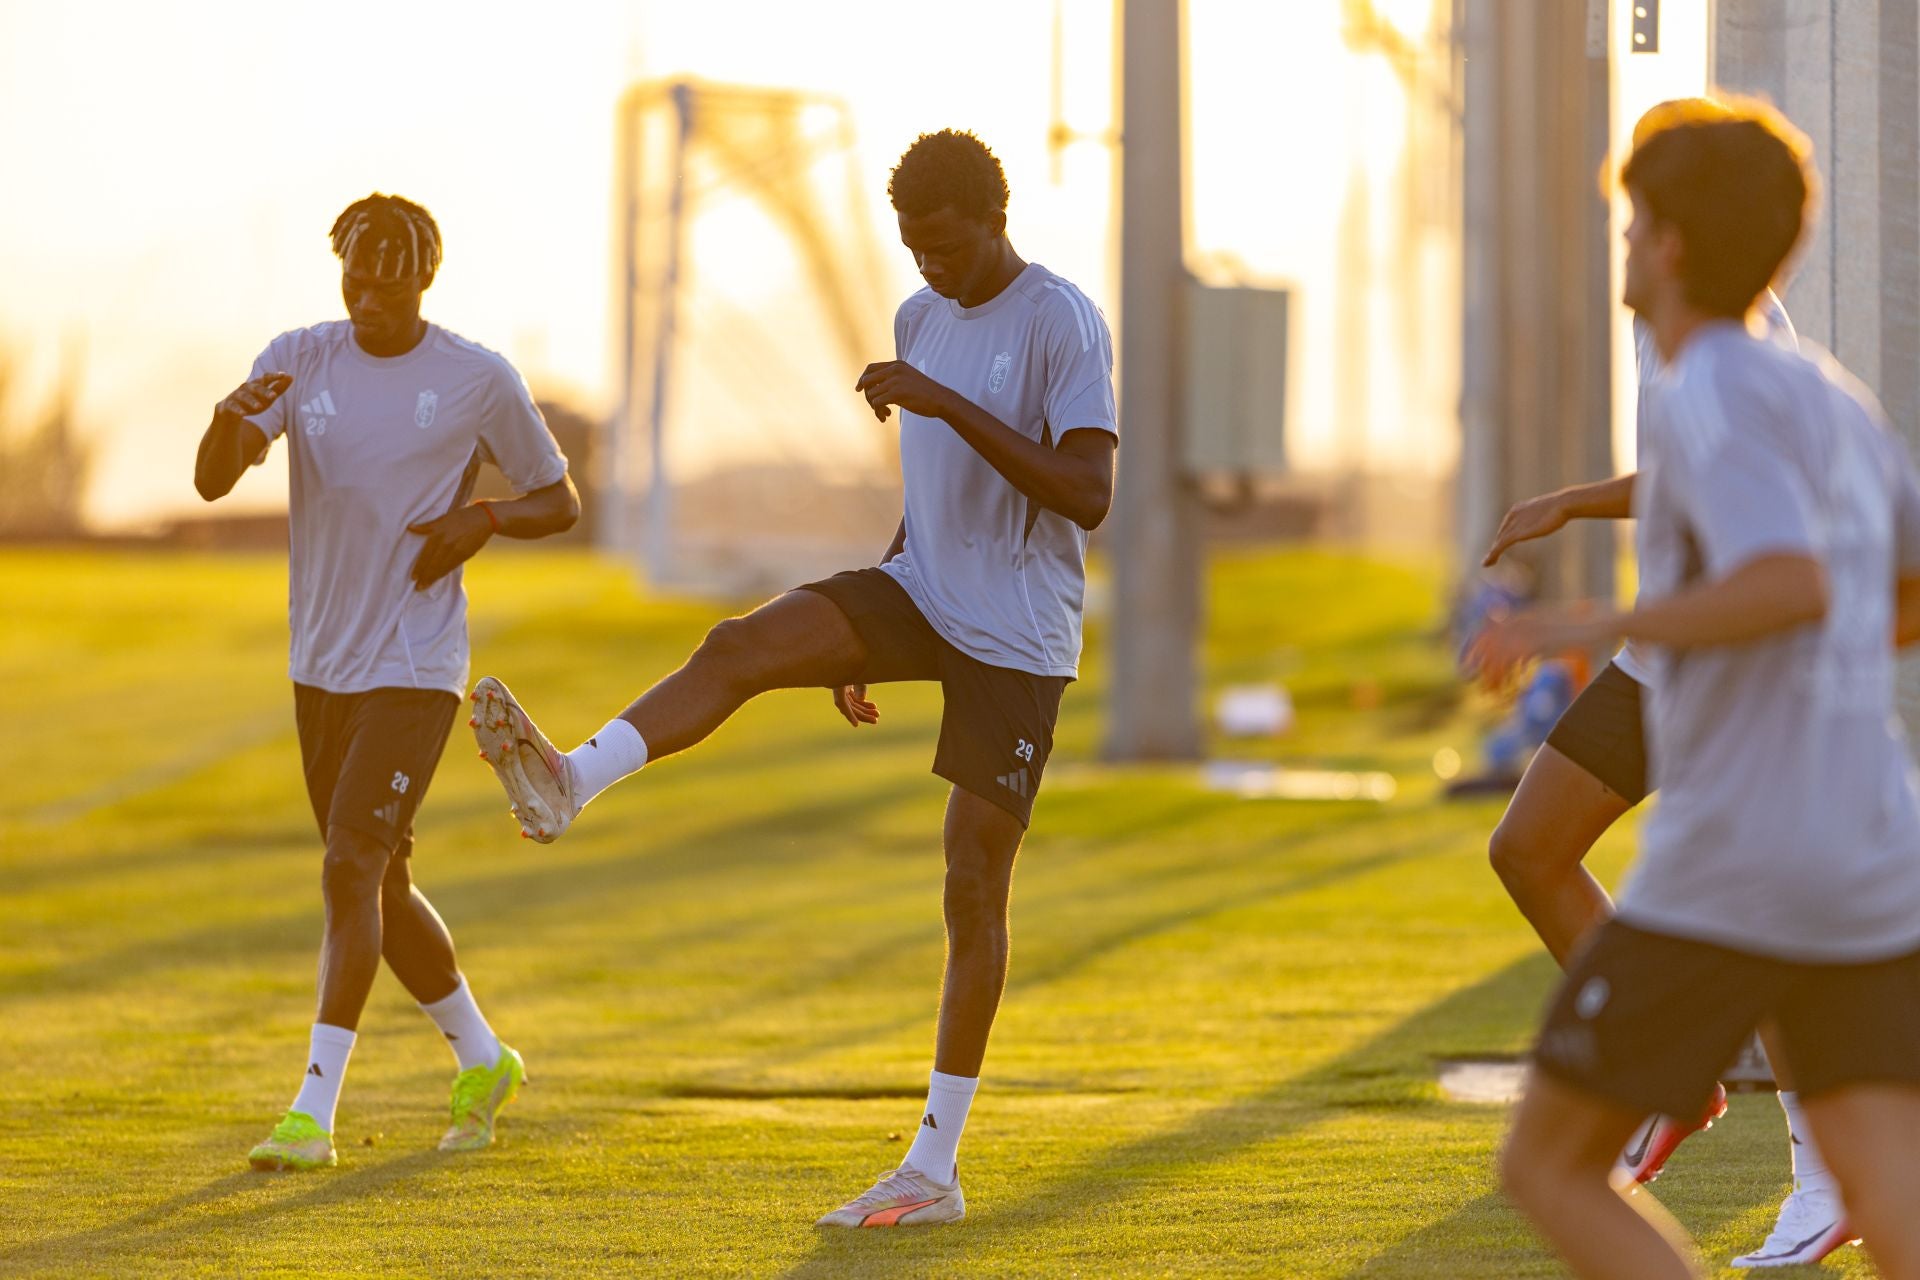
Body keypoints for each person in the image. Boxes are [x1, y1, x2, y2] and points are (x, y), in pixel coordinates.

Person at [467, 129, 1117, 1226]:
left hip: (1018, 635)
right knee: (740, 646)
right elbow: (935, 483)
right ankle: (571, 777)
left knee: (970, 883)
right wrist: (869, 629)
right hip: (922, 590)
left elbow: (1088, 490)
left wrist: (947, 400)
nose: (928, 270)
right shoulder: (921, 318)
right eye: (912, 248)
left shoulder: (1061, 319)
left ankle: (934, 1167)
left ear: (992, 222)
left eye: (946, 247)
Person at [1477, 101, 1920, 1280]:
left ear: (1669, 245)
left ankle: (1695, 1098)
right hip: (1872, 846)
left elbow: (1784, 576)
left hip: (1740, 856)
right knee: (1891, 1192)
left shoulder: (1702, 385)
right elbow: (1900, 587)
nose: (1621, 242)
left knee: (1550, 1164)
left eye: (1632, 222)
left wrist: (1599, 618)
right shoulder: (1830, 394)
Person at [194, 193, 580, 1171]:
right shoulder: (300, 355)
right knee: (381, 879)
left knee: (347, 866)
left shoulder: (476, 377)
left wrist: (481, 521)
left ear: (424, 280)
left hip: (415, 663)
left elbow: (558, 497)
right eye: (353, 277)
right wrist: (224, 425)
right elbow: (214, 478)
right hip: (319, 661)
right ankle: (484, 1057)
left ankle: (312, 1112)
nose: (365, 296)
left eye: (386, 280)